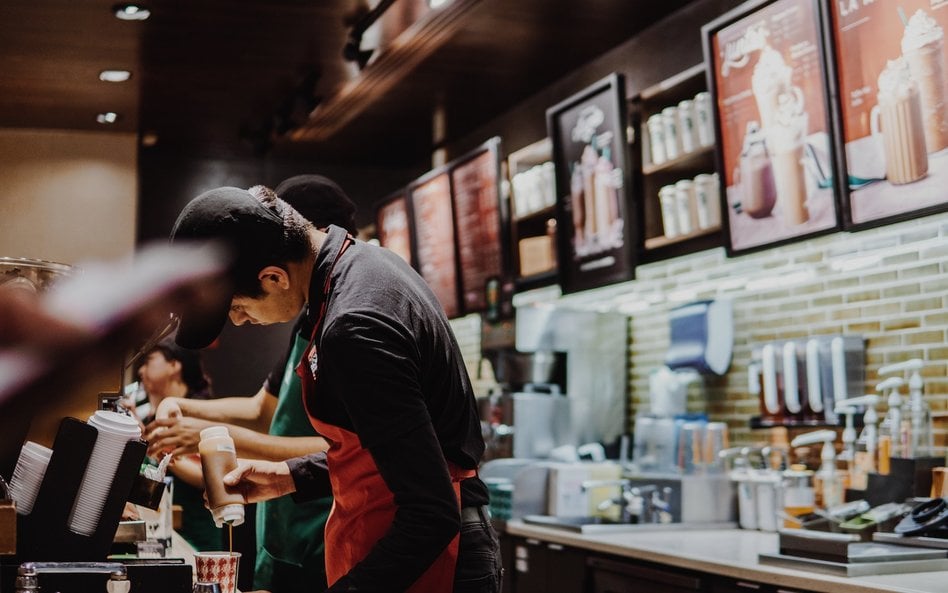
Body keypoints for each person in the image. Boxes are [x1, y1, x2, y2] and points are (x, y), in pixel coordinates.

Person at [168, 184, 502, 593]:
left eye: (237, 308)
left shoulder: (355, 324)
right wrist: (289, 476)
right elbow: (394, 451)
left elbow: (431, 513)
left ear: (273, 278)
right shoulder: (364, 267)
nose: (239, 321)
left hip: (436, 561)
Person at [145, 175, 358, 592]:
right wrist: (187, 409)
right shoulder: (308, 321)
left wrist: (210, 433)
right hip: (282, 527)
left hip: (326, 525)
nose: (240, 321)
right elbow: (265, 410)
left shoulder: (351, 322)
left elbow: (354, 451)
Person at [132, 337, 222, 551]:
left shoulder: (199, 413)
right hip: (159, 531)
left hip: (197, 532)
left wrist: (158, 450)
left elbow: (208, 476)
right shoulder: (149, 416)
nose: (140, 371)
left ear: (174, 365)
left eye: (149, 361)